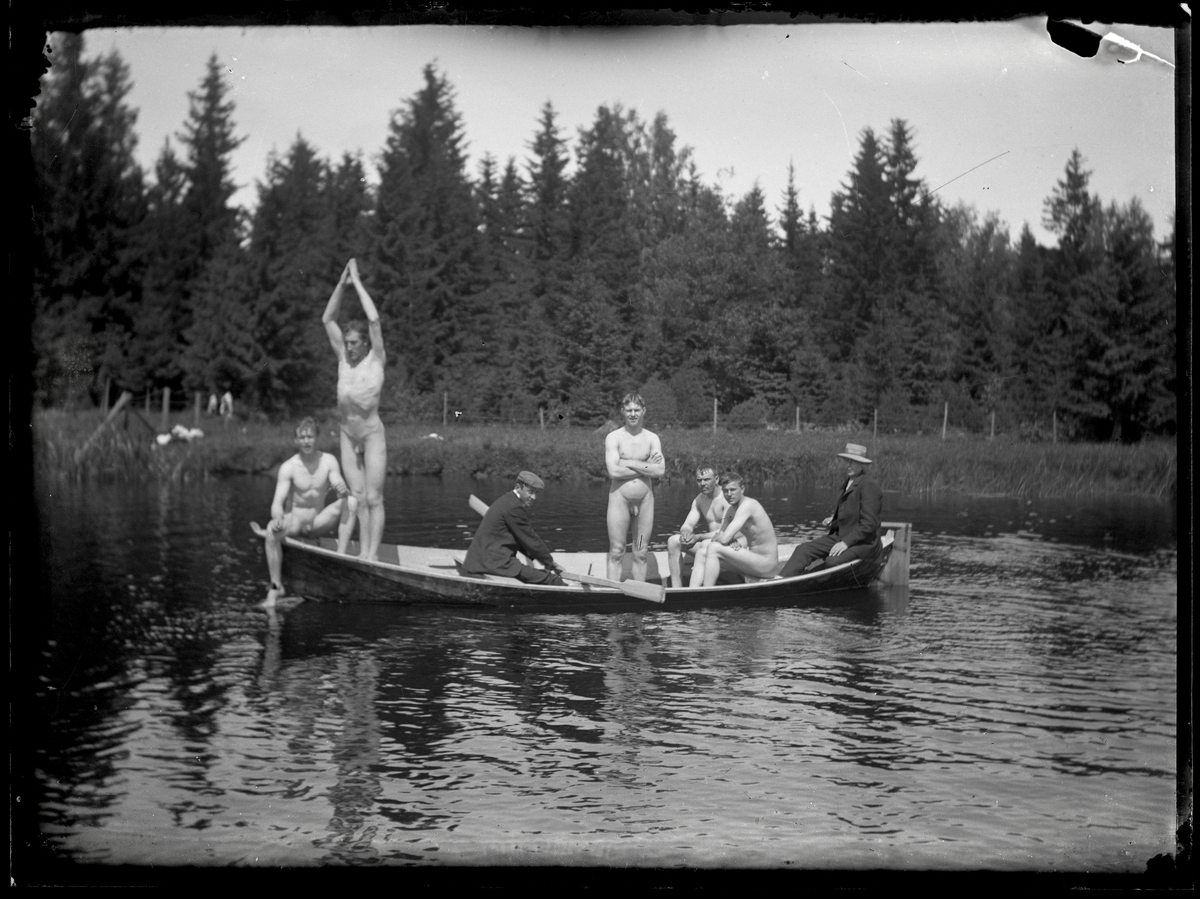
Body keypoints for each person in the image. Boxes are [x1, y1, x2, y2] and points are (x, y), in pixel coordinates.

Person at [251, 417, 357, 608]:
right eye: (302, 437)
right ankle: (276, 586)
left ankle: (341, 558)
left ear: (317, 438)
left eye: (310, 437)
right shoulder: (289, 467)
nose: (306, 441)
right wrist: (277, 517)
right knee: (270, 531)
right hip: (295, 522)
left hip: (317, 523)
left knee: (351, 502)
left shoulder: (328, 461)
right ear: (296, 440)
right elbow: (277, 503)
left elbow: (337, 482)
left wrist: (342, 490)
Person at [323, 257, 387, 561]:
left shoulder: (376, 359)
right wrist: (342, 283)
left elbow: (374, 321)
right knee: (357, 497)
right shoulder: (342, 359)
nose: (348, 347)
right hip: (348, 434)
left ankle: (372, 555)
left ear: (364, 344)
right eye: (346, 342)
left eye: (353, 343)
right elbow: (327, 319)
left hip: (372, 434)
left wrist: (358, 282)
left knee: (374, 498)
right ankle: (362, 553)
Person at [779, 443, 883, 577]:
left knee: (832, 561)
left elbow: (869, 524)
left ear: (862, 464)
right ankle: (781, 580)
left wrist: (846, 543)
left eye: (853, 462)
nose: (848, 465)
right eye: (847, 461)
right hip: (841, 536)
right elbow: (851, 512)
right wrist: (834, 519)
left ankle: (809, 579)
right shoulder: (848, 482)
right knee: (803, 549)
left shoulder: (869, 486)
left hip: (864, 543)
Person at [463, 471, 567, 586]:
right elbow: (531, 540)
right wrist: (550, 563)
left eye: (536, 493)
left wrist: (543, 560)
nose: (533, 497)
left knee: (537, 573)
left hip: (479, 561)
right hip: (495, 563)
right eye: (530, 492)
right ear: (518, 487)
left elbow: (522, 541)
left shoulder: (507, 499)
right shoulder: (514, 508)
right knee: (553, 580)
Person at [604, 393, 665, 582]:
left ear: (643, 411)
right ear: (622, 411)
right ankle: (612, 591)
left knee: (640, 551)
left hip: (644, 503)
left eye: (636, 410)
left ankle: (638, 592)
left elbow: (660, 470)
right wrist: (646, 467)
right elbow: (614, 472)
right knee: (617, 550)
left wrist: (628, 462)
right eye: (629, 410)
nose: (632, 414)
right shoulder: (614, 438)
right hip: (619, 501)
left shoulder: (652, 439)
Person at [691, 472, 780, 587]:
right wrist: (729, 540)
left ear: (742, 489)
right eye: (725, 491)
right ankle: (692, 591)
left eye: (733, 490)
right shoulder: (731, 510)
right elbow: (719, 536)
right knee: (701, 553)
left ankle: (707, 592)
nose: (729, 494)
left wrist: (727, 539)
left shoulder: (748, 505)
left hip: (767, 565)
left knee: (713, 548)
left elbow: (723, 539)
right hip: (752, 561)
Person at [665, 464, 746, 588]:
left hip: (731, 544)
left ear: (716, 479)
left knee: (705, 544)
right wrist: (686, 532)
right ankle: (677, 588)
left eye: (706, 479)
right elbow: (688, 524)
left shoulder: (727, 498)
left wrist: (697, 537)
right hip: (711, 543)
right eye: (699, 480)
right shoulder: (699, 500)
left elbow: (724, 532)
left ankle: (697, 587)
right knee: (673, 541)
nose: (702, 484)